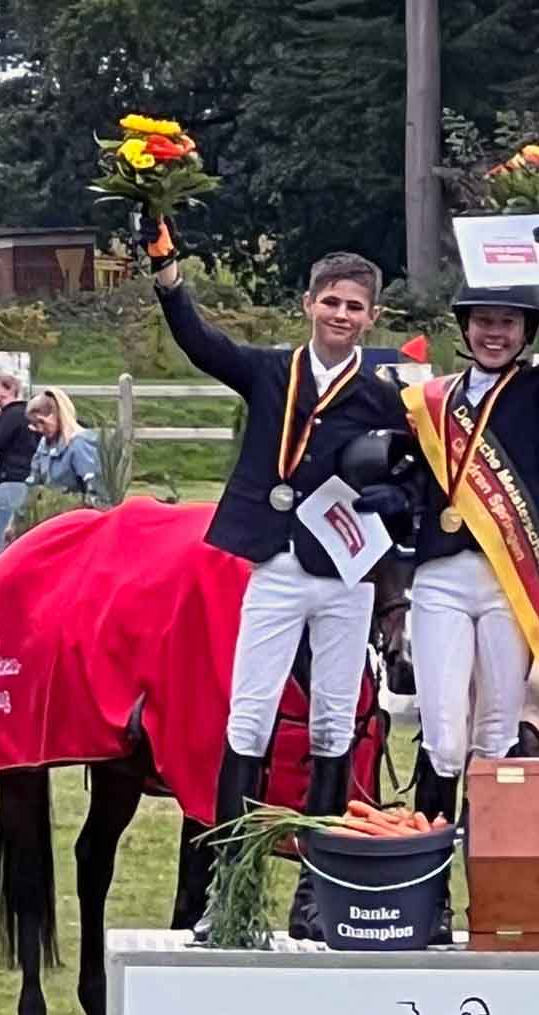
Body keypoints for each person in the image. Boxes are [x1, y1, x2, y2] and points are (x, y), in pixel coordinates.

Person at [147, 219, 405, 941]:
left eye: (355, 307)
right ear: (308, 304)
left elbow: (407, 470)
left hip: (346, 571)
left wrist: (393, 502)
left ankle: (318, 892)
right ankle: (231, 887)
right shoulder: (268, 371)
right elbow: (201, 343)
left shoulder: (382, 397)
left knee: (332, 723)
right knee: (250, 716)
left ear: (370, 318)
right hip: (276, 562)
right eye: (331, 302)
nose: (341, 316)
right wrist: (168, 275)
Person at [353, 224, 539, 941]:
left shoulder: (538, 390)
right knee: (443, 735)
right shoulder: (428, 401)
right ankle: (426, 893)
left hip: (509, 581)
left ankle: (492, 893)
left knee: (495, 738)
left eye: (507, 323)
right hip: (443, 581)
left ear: (523, 331)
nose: (493, 333)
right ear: (466, 328)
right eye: (483, 322)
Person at [0, 374, 39, 552]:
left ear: (7, 392)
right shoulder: (28, 413)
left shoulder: (10, 414)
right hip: (29, 477)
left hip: (11, 477)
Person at [27, 388, 102, 502]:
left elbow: (95, 489)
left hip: (79, 513)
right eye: (35, 425)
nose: (40, 429)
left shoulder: (80, 443)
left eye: (42, 422)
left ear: (57, 414)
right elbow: (34, 481)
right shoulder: (44, 445)